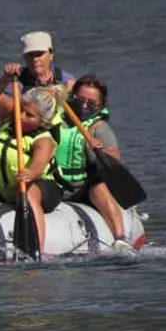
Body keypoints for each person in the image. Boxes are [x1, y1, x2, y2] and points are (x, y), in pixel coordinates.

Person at [0, 75, 62, 253]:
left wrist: (28, 174)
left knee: (29, 192)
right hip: (2, 185)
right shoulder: (8, 119)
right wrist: (5, 79)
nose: (22, 117)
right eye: (21, 111)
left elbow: (38, 167)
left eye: (30, 115)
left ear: (42, 121)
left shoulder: (43, 139)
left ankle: (37, 249)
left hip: (40, 187)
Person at [52, 75, 131, 249]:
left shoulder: (98, 127)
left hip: (83, 188)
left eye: (92, 104)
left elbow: (115, 158)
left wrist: (99, 151)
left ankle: (120, 238)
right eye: (80, 100)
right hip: (54, 184)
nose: (84, 106)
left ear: (101, 106)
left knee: (99, 188)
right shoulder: (55, 117)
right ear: (72, 97)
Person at [0, 31, 75, 121]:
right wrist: (4, 79)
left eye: (39, 54)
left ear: (51, 53)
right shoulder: (15, 82)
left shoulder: (66, 80)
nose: (35, 59)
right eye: (30, 55)